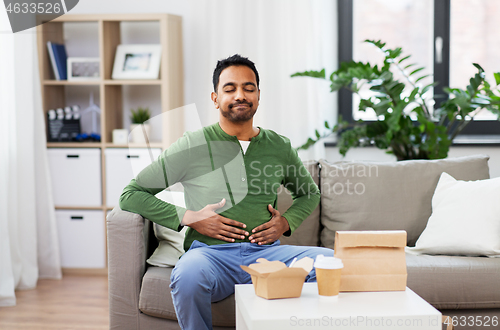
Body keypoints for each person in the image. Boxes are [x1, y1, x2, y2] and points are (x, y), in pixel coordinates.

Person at [119, 54, 333, 330]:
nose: (240, 95)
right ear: (215, 98)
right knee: (187, 276)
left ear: (258, 95)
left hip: (266, 257)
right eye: (230, 89)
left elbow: (309, 193)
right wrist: (189, 217)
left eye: (248, 88)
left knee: (328, 262)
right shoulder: (192, 145)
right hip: (209, 256)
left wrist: (285, 222)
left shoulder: (279, 146)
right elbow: (131, 193)